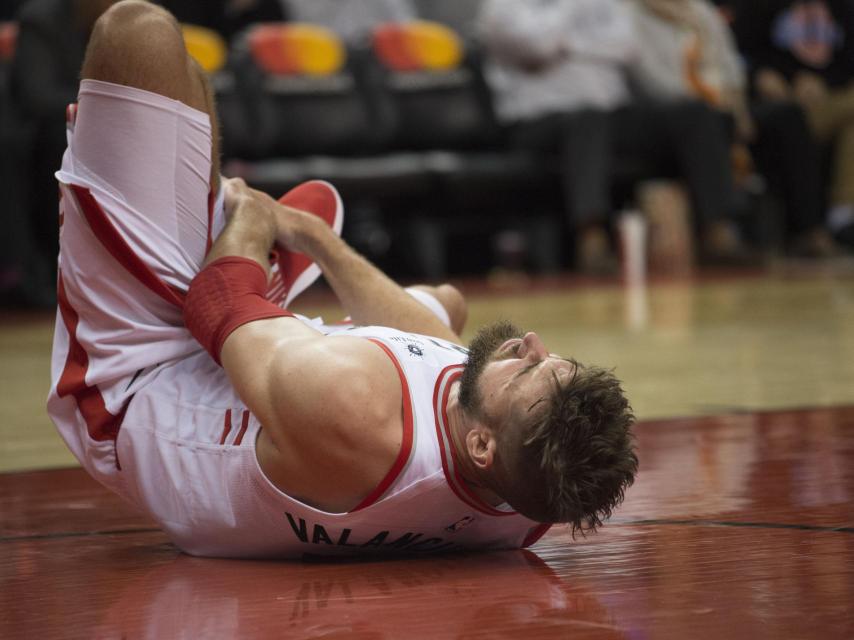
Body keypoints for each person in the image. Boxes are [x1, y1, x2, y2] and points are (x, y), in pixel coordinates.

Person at [48, 0, 637, 559]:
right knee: (445, 306)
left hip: (147, 380)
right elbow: (445, 356)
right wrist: (313, 238)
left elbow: (214, 302)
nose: (533, 343)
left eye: (530, 369)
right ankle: (253, 279)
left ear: (482, 446)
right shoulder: (530, 499)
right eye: (553, 358)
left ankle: (231, 250)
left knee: (140, 34)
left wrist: (257, 217)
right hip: (274, 379)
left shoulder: (351, 405)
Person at [478, 0, 751, 273]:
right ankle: (592, 240)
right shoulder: (503, 6)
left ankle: (718, 232)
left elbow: (626, 47)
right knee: (587, 118)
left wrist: (568, 46)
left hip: (611, 116)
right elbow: (539, 46)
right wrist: (585, 36)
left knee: (693, 112)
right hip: (535, 123)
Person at [627, 0, 840, 257]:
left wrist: (737, 106)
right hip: (668, 113)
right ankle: (719, 231)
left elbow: (731, 65)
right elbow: (648, 80)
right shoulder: (629, 12)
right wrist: (710, 102)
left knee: (785, 115)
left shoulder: (699, 9)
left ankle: (810, 229)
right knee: (701, 117)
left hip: (722, 104)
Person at [727, 0, 854, 249]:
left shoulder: (843, 7)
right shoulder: (758, 7)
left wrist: (824, 82)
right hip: (777, 106)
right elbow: (737, 54)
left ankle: (843, 217)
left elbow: (848, 63)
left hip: (829, 103)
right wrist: (764, 76)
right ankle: (841, 215)